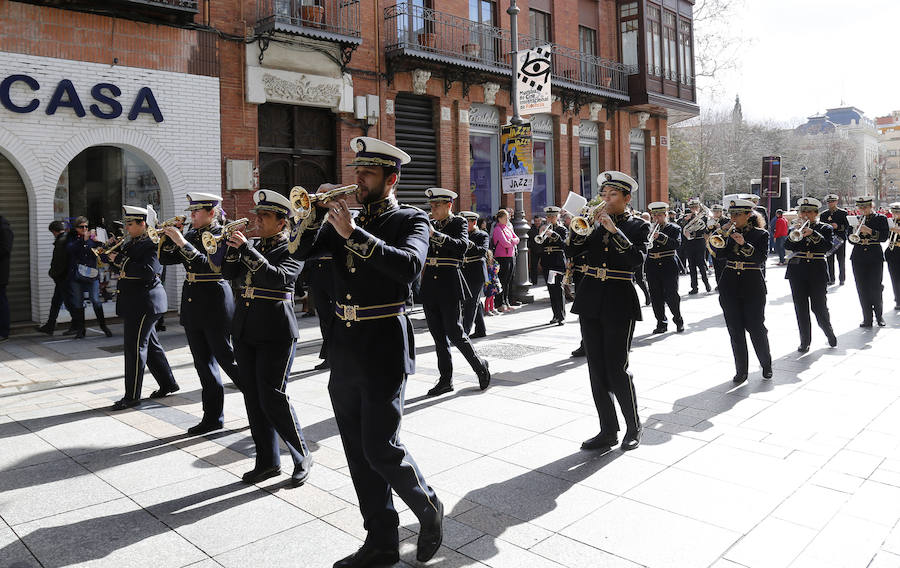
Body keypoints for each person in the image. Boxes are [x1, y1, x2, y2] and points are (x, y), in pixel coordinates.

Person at [296, 137, 444, 567]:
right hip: (344, 344)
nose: (357, 179)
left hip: (383, 341)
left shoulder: (411, 219)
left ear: (390, 179)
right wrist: (314, 215)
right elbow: (298, 254)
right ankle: (380, 541)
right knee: (357, 453)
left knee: (381, 446)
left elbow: (408, 267)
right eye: (356, 171)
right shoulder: (342, 218)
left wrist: (353, 234)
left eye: (368, 173)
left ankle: (427, 504)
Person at [221, 190, 314, 486]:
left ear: (281, 221)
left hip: (276, 329)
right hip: (246, 326)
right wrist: (232, 249)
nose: (256, 220)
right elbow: (227, 273)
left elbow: (278, 279)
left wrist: (247, 249)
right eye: (257, 215)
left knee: (273, 396)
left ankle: (301, 455)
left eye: (264, 217)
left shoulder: (292, 247)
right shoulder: (255, 245)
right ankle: (267, 461)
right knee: (253, 397)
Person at [566, 171, 648, 452]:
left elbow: (636, 261)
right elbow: (574, 252)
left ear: (626, 198)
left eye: (613, 195)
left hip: (619, 299)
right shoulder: (593, 224)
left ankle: (633, 426)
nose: (606, 200)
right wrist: (576, 228)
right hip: (590, 298)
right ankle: (608, 429)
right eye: (604, 194)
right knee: (596, 369)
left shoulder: (638, 226)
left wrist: (614, 230)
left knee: (616, 368)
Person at [159, 192, 241, 435]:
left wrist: (182, 243)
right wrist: (169, 237)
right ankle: (213, 417)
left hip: (215, 300)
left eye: (196, 212)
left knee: (227, 359)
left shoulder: (221, 234)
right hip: (194, 302)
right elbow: (165, 258)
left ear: (211, 213)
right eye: (191, 212)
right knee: (203, 364)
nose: (191, 216)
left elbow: (208, 265)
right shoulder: (193, 234)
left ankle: (259, 403)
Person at [104, 206, 179, 410]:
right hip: (135, 301)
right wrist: (108, 254)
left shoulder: (153, 243)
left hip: (145, 302)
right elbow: (119, 266)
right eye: (126, 224)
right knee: (151, 347)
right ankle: (168, 383)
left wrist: (119, 259)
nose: (127, 228)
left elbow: (148, 271)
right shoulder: (132, 243)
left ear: (142, 224)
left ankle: (132, 396)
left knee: (135, 348)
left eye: (130, 224)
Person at [420, 188, 491, 397]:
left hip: (449, 283)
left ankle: (480, 366)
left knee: (455, 332)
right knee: (437, 336)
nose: (432, 210)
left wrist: (435, 235)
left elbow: (461, 246)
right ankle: (445, 380)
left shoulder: (458, 223)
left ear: (448, 206)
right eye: (431, 206)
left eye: (436, 206)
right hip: (430, 284)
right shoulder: (430, 224)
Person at [717, 199, 772, 384]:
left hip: (752, 284)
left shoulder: (760, 234)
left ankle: (766, 364)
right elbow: (719, 255)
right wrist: (719, 236)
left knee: (756, 328)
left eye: (737, 215)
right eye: (731, 215)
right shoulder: (727, 232)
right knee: (735, 330)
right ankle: (741, 371)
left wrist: (743, 244)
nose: (732, 218)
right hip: (729, 283)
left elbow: (760, 259)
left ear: (749, 215)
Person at [784, 197, 837, 352]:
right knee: (800, 308)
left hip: (817, 270)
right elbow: (787, 245)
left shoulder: (825, 228)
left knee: (819, 307)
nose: (805, 215)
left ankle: (829, 332)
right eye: (803, 211)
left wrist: (813, 233)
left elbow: (827, 247)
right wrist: (795, 232)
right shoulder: (795, 226)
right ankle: (805, 341)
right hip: (797, 271)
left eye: (808, 212)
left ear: (816, 213)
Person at [66, 216, 112, 339]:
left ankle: (103, 326)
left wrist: (104, 241)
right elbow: (70, 250)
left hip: (92, 274)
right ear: (76, 228)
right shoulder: (72, 238)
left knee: (95, 300)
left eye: (86, 226)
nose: (85, 229)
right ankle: (81, 330)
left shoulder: (92, 239)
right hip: (77, 276)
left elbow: (102, 249)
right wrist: (84, 241)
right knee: (78, 302)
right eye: (82, 227)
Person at [848, 195, 889, 327]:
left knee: (875, 287)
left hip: (874, 256)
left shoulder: (880, 218)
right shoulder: (855, 219)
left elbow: (883, 237)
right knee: (862, 288)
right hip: (858, 256)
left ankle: (879, 316)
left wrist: (869, 230)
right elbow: (849, 239)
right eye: (860, 207)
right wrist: (855, 231)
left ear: (871, 206)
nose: (862, 210)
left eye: (865, 207)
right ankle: (867, 318)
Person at [646, 202, 684, 333]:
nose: (656, 218)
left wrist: (661, 237)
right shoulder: (647, 228)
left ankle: (678, 319)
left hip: (668, 264)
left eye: (660, 215)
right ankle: (661, 322)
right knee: (655, 296)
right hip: (652, 265)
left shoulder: (674, 228)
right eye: (654, 215)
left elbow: (677, 244)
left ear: (666, 215)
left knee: (671, 295)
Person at [37, 221, 71, 335]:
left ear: (54, 231)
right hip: (63, 277)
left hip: (62, 277)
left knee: (67, 302)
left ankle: (77, 325)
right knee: (57, 301)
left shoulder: (61, 242)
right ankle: (50, 325)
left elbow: (58, 262)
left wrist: (53, 273)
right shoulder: (65, 239)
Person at [537, 206, 568, 325]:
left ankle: (561, 316)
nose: (550, 219)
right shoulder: (544, 228)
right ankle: (555, 315)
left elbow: (563, 244)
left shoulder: (562, 229)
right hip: (547, 262)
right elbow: (540, 245)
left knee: (558, 289)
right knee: (551, 289)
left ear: (557, 216)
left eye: (552, 216)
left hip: (557, 262)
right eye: (548, 216)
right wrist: (542, 234)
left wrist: (553, 234)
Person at [460, 210, 488, 338]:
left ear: (474, 222)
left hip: (476, 273)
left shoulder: (482, 235)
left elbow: (483, 251)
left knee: (470, 303)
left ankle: (464, 333)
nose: (464, 225)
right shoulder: (462, 235)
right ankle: (481, 330)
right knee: (475, 302)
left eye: (466, 222)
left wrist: (469, 244)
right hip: (464, 272)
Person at [679, 198, 711, 294]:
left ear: (699, 207)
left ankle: (706, 284)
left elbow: (706, 227)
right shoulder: (686, 217)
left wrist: (698, 218)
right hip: (689, 243)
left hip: (699, 241)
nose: (694, 209)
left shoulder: (704, 216)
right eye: (692, 207)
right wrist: (685, 220)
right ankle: (694, 287)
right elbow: (680, 226)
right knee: (692, 266)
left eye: (695, 207)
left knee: (701, 264)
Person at [491, 209, 519, 311]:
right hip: (501, 257)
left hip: (510, 256)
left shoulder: (507, 228)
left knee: (508, 281)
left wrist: (511, 240)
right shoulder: (497, 229)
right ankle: (499, 303)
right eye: (506, 217)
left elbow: (517, 239)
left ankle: (506, 302)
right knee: (502, 280)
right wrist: (512, 241)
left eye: (508, 217)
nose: (508, 219)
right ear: (499, 218)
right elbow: (505, 243)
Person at [820, 194, 850, 285]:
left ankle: (842, 279)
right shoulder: (824, 214)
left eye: (832, 201)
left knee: (841, 260)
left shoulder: (843, 213)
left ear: (836, 202)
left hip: (840, 239)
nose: (830, 203)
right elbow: (821, 227)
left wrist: (838, 226)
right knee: (829, 260)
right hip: (829, 239)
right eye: (829, 202)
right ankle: (831, 278)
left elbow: (847, 226)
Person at [886, 202, 900, 311]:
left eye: (897, 212)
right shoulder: (891, 222)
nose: (895, 214)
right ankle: (898, 299)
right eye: (894, 212)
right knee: (895, 278)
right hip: (893, 251)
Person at [0, 215, 11, 342]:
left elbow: (5, 249)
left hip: (1, 274)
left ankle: (4, 332)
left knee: (1, 301)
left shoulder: (4, 228)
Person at [527, 216, 544, 285]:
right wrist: (528, 247)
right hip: (534, 250)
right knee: (533, 266)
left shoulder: (544, 228)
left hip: (543, 250)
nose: (537, 222)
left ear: (541, 221)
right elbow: (528, 239)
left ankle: (547, 281)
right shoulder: (531, 229)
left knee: (545, 265)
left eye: (538, 221)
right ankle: (534, 281)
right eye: (536, 221)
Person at [483, 250, 501, 315]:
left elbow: (497, 268)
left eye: (490, 255)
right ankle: (486, 310)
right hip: (488, 282)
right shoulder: (485, 264)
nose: (489, 257)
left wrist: (496, 268)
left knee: (492, 295)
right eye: (488, 256)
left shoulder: (494, 262)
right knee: (489, 296)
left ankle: (492, 308)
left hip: (494, 281)